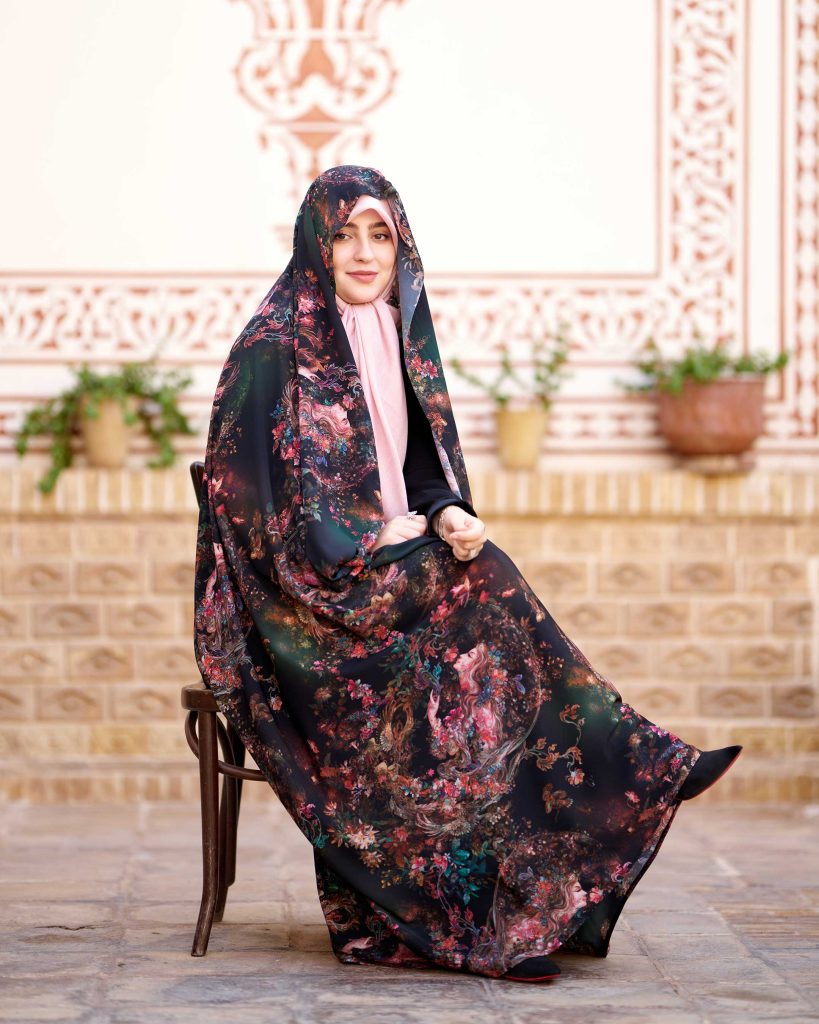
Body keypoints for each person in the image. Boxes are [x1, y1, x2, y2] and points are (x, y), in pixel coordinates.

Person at [193, 165, 742, 983]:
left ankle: (501, 911)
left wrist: (446, 512)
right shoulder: (271, 348)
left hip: (385, 577)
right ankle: (632, 764)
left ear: (401, 245)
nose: (363, 252)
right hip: (301, 603)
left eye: (380, 234)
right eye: (343, 234)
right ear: (314, 243)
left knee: (478, 616)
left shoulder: (398, 330)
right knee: (481, 592)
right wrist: (367, 540)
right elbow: (248, 511)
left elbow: (421, 468)